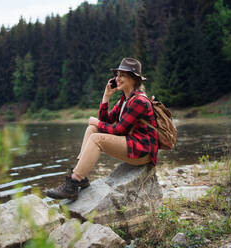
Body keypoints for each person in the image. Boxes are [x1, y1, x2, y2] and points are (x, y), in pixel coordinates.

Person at [45, 58, 158, 200]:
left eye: (122, 75)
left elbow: (119, 130)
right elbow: (106, 120)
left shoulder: (139, 101)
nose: (118, 78)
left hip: (143, 152)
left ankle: (74, 182)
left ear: (134, 79)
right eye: (117, 75)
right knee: (92, 129)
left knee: (96, 137)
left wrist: (98, 123)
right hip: (133, 145)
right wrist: (106, 96)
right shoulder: (125, 99)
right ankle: (80, 174)